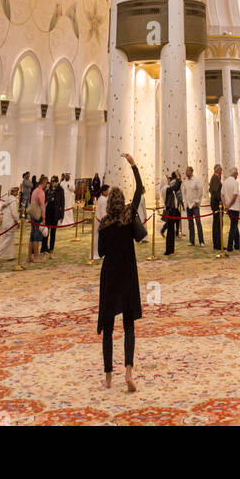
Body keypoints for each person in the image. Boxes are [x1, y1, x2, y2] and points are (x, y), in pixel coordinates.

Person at [97, 153, 144, 392]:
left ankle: (107, 377)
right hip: (128, 274)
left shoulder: (104, 224)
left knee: (107, 327)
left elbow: (101, 252)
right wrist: (133, 165)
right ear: (122, 201)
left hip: (110, 277)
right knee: (128, 326)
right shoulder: (129, 215)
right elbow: (140, 190)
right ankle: (128, 371)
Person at [27, 174, 47, 264]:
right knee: (37, 236)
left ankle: (29, 257)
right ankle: (36, 257)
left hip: (32, 214)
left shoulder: (34, 190)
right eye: (46, 183)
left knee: (32, 235)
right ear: (43, 182)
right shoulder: (41, 192)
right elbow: (42, 205)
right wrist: (44, 217)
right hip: (38, 215)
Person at [0, 186, 21, 260]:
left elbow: (2, 209)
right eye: (16, 191)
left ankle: (9, 255)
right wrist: (18, 221)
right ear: (13, 192)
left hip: (5, 221)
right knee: (8, 239)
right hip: (10, 222)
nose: (17, 193)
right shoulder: (13, 201)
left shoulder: (7, 200)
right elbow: (14, 212)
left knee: (9, 239)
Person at [222, 166, 240, 252]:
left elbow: (221, 194)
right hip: (235, 208)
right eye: (237, 173)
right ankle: (230, 246)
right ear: (235, 174)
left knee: (234, 225)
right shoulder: (235, 183)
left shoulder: (225, 182)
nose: (237, 175)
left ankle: (237, 244)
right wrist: (229, 205)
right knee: (233, 226)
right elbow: (235, 195)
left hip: (228, 208)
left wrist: (225, 204)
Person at [184, 166, 204, 245]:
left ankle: (201, 241)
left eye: (187, 171)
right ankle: (191, 241)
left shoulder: (196, 180)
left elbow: (200, 191)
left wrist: (197, 202)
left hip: (195, 205)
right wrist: (185, 203)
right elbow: (184, 193)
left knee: (198, 223)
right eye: (186, 171)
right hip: (188, 205)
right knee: (190, 224)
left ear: (191, 172)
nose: (186, 172)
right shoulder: (185, 182)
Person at [44, 175, 63, 255]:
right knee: (46, 231)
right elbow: (46, 200)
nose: (52, 183)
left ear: (57, 182)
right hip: (48, 212)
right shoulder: (49, 189)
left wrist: (61, 216)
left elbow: (62, 202)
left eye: (54, 182)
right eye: (51, 182)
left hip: (55, 213)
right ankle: (45, 248)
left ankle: (51, 249)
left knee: (53, 233)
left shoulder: (60, 190)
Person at [209, 164, 223, 251]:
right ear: (218, 170)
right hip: (216, 205)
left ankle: (217, 244)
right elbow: (216, 192)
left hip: (215, 204)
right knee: (217, 224)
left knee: (217, 224)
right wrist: (221, 200)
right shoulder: (216, 178)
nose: (221, 172)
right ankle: (217, 244)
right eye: (221, 170)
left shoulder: (214, 178)